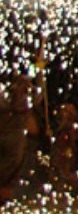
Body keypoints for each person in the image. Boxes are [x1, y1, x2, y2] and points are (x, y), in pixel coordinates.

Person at [0, 76, 38, 204]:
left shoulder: (27, 99)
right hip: (7, 135)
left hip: (16, 137)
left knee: (12, 167)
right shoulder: (6, 96)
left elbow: (32, 127)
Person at [51, 102, 78, 192]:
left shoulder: (70, 125)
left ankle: (73, 186)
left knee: (66, 167)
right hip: (60, 147)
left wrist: (70, 148)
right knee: (60, 167)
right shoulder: (61, 124)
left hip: (67, 148)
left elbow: (73, 138)